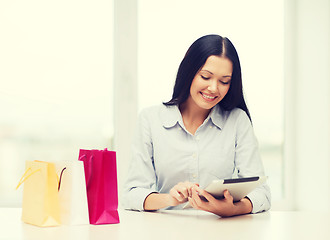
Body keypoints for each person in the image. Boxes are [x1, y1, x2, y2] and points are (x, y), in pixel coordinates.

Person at [122, 34, 271, 217]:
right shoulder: (150, 119)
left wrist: (232, 209)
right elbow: (132, 194)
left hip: (222, 231)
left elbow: (262, 193)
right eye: (206, 77)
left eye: (224, 81)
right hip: (165, 230)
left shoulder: (238, 121)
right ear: (189, 72)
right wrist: (170, 199)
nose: (214, 88)